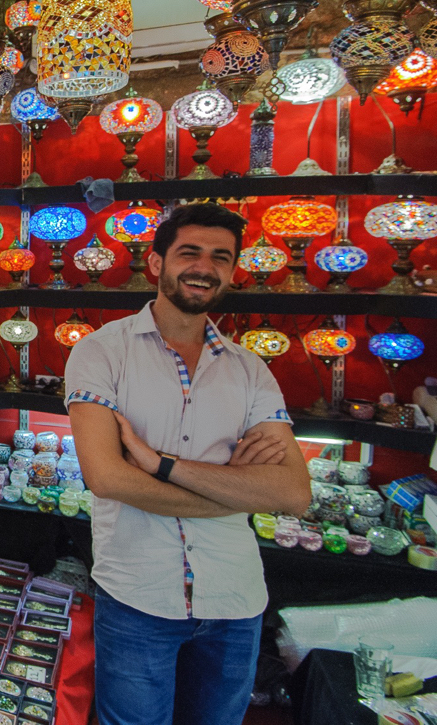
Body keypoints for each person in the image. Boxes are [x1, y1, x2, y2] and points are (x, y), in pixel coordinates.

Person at [65, 202, 312, 725]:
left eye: (221, 257)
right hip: (137, 594)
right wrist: (236, 489)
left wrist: (160, 465)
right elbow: (106, 477)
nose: (204, 266)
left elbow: (292, 493)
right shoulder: (100, 353)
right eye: (189, 252)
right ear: (156, 263)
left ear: (232, 270)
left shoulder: (250, 370)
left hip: (235, 598)